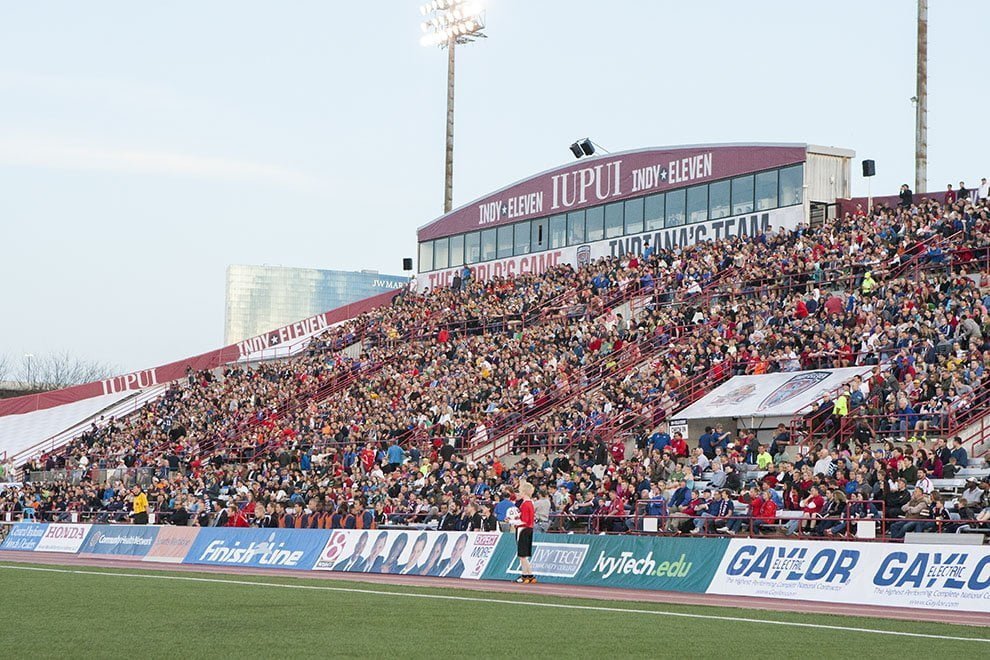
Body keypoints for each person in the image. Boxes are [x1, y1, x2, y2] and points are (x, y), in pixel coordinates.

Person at [511, 481, 537, 584]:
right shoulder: (530, 503)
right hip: (528, 529)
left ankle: (525, 575)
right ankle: (529, 574)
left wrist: (512, 521)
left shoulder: (525, 504)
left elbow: (524, 521)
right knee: (523, 554)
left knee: (522, 555)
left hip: (523, 530)